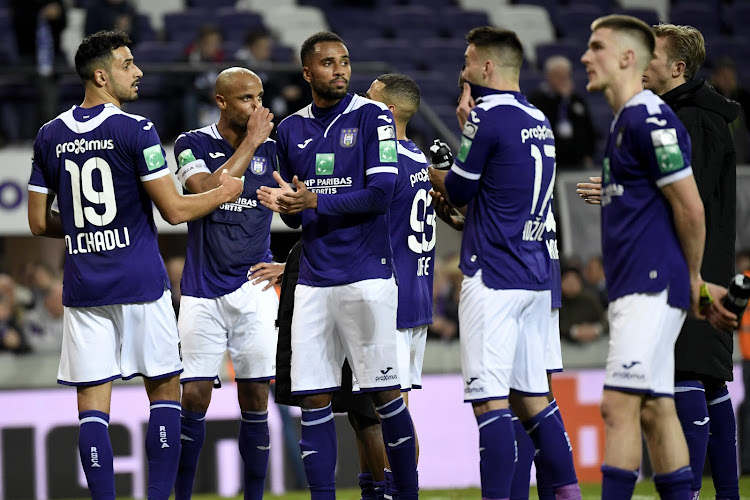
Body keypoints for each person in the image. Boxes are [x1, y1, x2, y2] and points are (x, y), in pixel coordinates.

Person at [26, 30, 242, 500]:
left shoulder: (49, 135)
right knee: (164, 394)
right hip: (141, 281)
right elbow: (175, 211)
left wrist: (84, 230)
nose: (138, 70)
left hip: (85, 287)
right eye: (127, 64)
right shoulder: (136, 129)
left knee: (91, 407)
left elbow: (38, 222)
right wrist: (223, 192)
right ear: (101, 75)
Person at [256, 31, 419, 500]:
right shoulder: (289, 131)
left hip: (367, 276)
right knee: (314, 398)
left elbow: (382, 193)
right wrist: (286, 204)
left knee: (385, 394)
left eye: (344, 61)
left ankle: (406, 495)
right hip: (311, 282)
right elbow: (293, 213)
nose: (340, 70)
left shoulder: (374, 118)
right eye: (328, 63)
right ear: (308, 72)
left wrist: (314, 201)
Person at [579, 14, 736, 499]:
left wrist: (694, 277)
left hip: (653, 282)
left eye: (597, 47)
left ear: (629, 58)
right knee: (657, 407)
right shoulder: (633, 118)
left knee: (621, 407)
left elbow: (691, 203)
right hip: (648, 280)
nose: (586, 56)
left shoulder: (651, 117)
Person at [428, 26, 581, 500]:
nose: (464, 69)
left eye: (469, 60)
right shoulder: (538, 117)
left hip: (494, 273)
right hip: (537, 271)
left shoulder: (486, 116)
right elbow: (501, 191)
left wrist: (435, 170)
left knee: (490, 402)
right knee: (535, 399)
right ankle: (568, 492)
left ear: (487, 67)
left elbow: (458, 190)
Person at [171, 67, 283, 500]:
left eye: (259, 98)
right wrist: (252, 142)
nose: (257, 108)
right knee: (194, 397)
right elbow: (206, 190)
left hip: (254, 288)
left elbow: (307, 207)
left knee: (256, 397)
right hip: (201, 291)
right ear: (221, 102)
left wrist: (288, 262)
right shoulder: (191, 144)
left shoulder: (275, 152)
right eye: (246, 100)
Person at [642, 23, 742, 500]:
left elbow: (689, 199)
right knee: (711, 379)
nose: (641, 64)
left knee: (685, 373)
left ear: (677, 68)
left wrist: (626, 192)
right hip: (705, 266)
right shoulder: (692, 114)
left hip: (693, 268)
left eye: (652, 57)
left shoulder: (693, 121)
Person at [528, 56, 597, 169]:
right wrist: (561, 99)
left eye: (566, 75)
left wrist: (589, 154)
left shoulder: (576, 99)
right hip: (550, 161)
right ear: (548, 76)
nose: (563, 80)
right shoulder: (537, 100)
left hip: (577, 160)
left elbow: (588, 128)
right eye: (558, 76)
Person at [558, 264, 607, 344]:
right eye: (567, 280)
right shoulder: (557, 303)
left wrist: (595, 329)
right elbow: (557, 326)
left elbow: (604, 321)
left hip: (592, 344)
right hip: (565, 344)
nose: (571, 285)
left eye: (574, 280)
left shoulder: (590, 300)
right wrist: (574, 331)